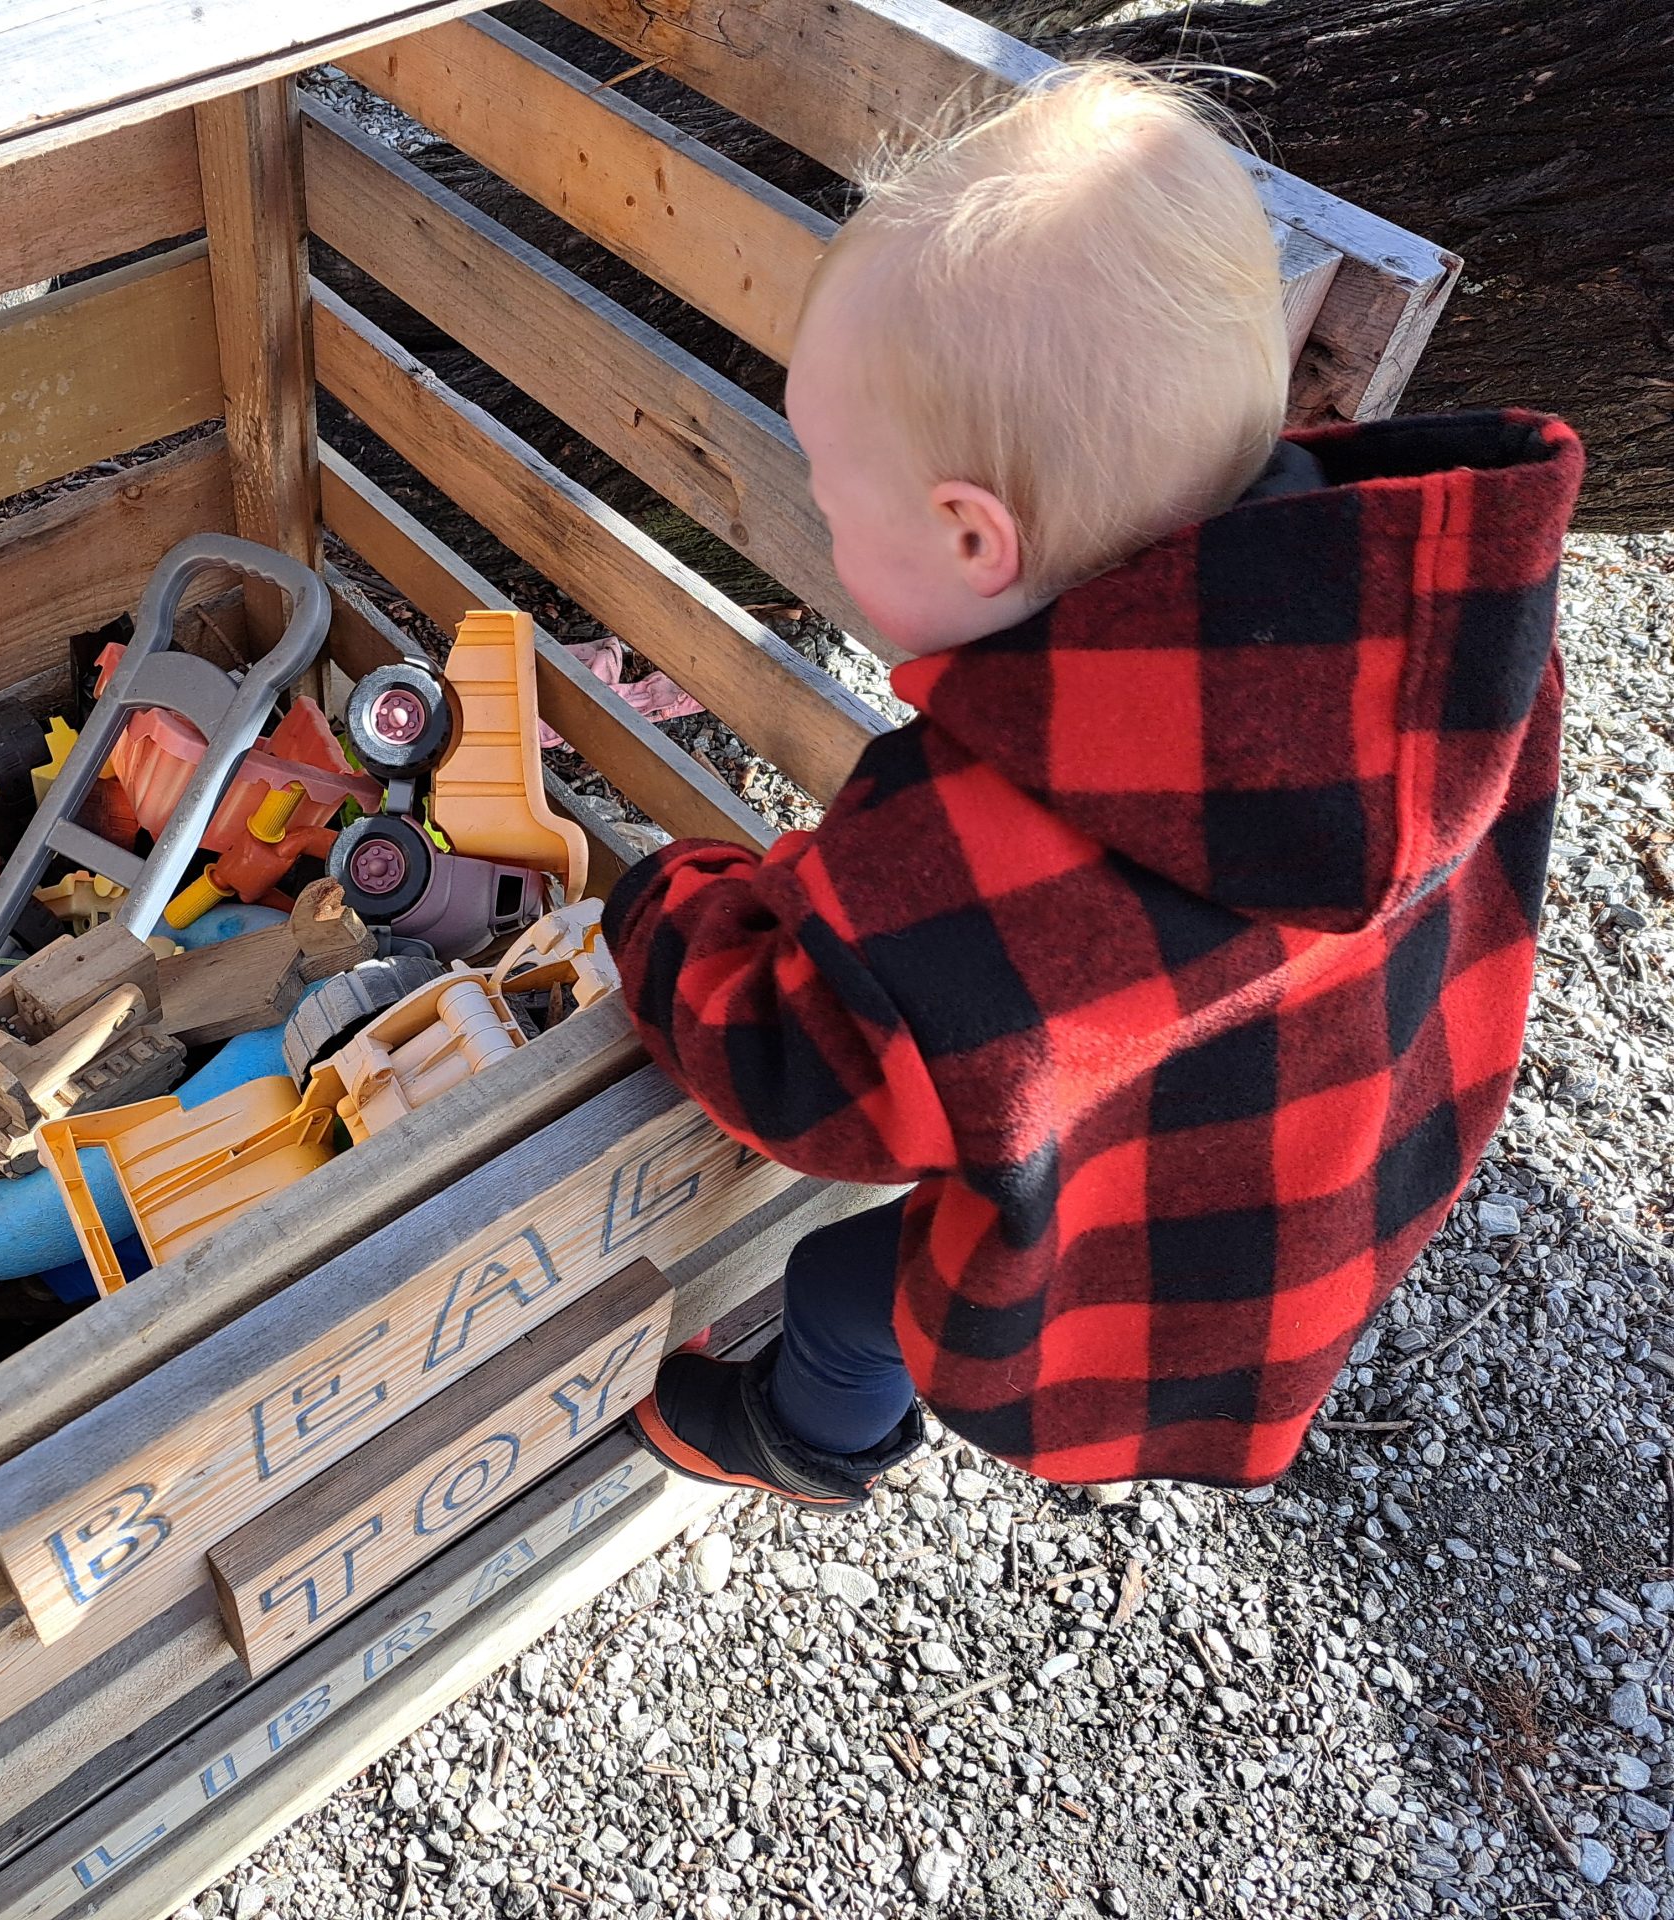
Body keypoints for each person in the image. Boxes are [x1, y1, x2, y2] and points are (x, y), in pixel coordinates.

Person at [611, 64, 1583, 1503]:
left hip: (1133, 1278)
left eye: (824, 483)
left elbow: (798, 1066)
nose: (814, 506)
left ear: (971, 540)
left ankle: (809, 1440)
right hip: (1332, 1168)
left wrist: (661, 898)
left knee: (835, 1285)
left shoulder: (981, 840)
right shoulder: (1432, 629)